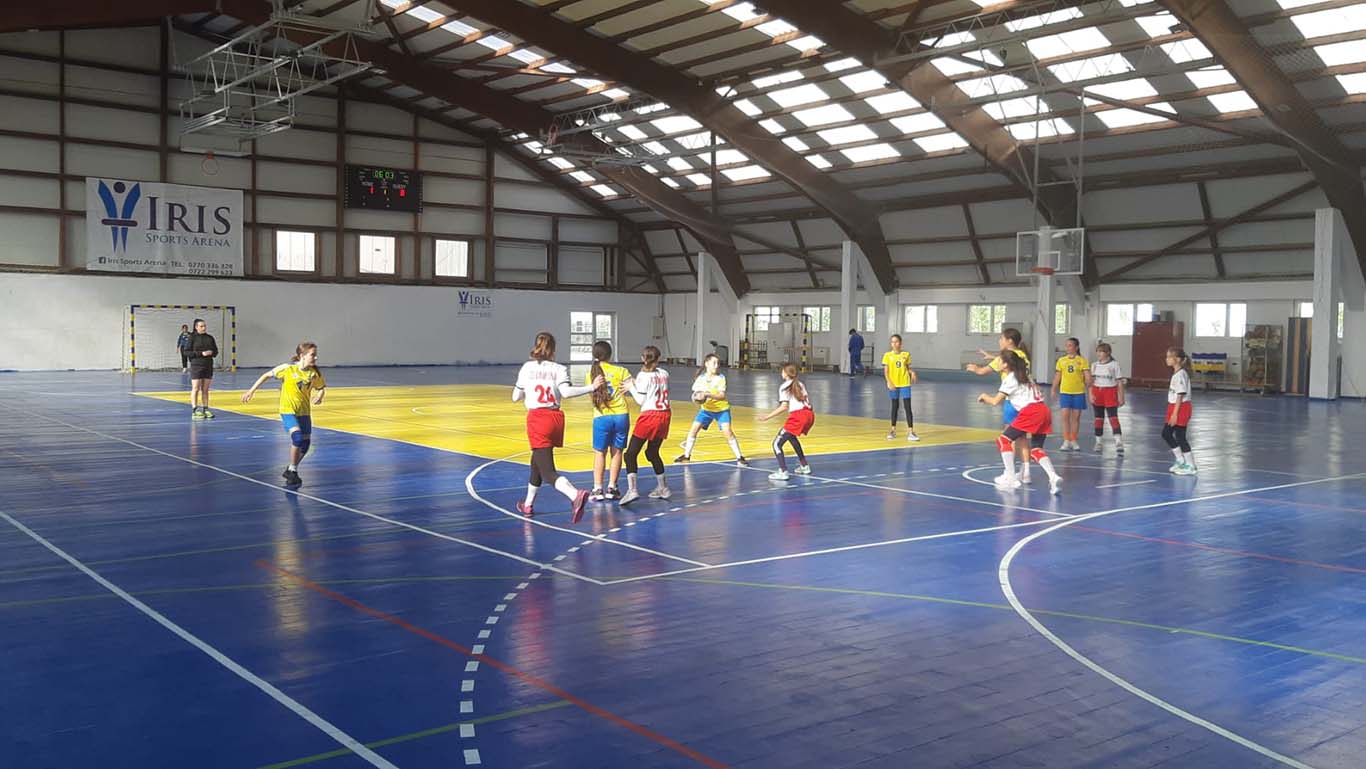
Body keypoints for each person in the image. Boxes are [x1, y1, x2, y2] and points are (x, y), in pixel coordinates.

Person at [511, 332, 600, 521]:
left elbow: (515, 397)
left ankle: (575, 495)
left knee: (547, 471)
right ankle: (528, 504)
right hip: (555, 418)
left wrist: (526, 391)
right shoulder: (559, 368)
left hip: (537, 419)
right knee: (537, 462)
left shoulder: (527, 368)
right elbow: (566, 392)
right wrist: (591, 387)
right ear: (553, 349)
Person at [976, 350, 1063, 495]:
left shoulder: (1010, 379)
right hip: (1044, 410)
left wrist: (984, 397)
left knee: (1003, 440)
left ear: (1006, 364)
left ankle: (1010, 477)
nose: (997, 363)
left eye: (999, 361)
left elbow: (995, 401)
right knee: (1036, 449)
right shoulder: (1025, 376)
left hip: (1031, 411)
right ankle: (1053, 477)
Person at [241, 342, 326, 487]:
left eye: (316, 355)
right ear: (302, 356)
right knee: (297, 437)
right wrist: (251, 391)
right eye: (312, 355)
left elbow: (321, 387)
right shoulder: (287, 369)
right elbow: (266, 375)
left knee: (305, 445)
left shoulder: (313, 373)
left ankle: (291, 469)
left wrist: (320, 395)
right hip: (288, 410)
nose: (316, 358)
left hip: (304, 412)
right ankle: (293, 470)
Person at [966, 328, 1031, 481]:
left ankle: (1009, 472)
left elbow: (983, 371)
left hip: (1011, 400)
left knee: (1008, 437)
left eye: (1002, 338)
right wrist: (992, 357)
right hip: (1025, 400)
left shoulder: (1003, 358)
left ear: (1009, 341)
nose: (999, 341)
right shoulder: (1022, 355)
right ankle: (1026, 472)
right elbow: (1010, 360)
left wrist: (975, 368)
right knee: (1022, 438)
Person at [675, 353, 749, 466]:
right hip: (706, 410)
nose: (716, 365)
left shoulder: (721, 378)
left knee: (728, 432)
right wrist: (698, 398)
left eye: (718, 363)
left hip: (721, 410)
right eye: (714, 363)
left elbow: (722, 396)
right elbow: (696, 394)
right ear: (706, 364)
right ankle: (686, 456)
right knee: (693, 430)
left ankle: (739, 457)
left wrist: (707, 394)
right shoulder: (701, 379)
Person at [621, 346, 671, 506]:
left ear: (643, 358)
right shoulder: (664, 373)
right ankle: (663, 487)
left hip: (650, 416)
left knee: (630, 454)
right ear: (658, 358)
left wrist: (631, 388)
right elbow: (653, 386)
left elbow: (641, 400)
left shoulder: (643, 376)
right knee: (652, 452)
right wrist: (636, 383)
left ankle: (632, 490)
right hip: (665, 415)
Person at [588, 341, 632, 502]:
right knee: (617, 452)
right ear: (610, 354)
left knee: (600, 452)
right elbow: (634, 385)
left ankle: (597, 488)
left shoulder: (592, 374)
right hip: (621, 415)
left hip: (601, 416)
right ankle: (612, 487)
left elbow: (591, 395)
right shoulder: (621, 371)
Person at [758, 363, 814, 481]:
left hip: (798, 416)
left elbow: (784, 407)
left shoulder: (784, 387)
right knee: (792, 437)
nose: (781, 373)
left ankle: (783, 471)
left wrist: (767, 417)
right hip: (809, 414)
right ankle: (804, 466)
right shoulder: (800, 384)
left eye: (782, 371)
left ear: (786, 373)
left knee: (776, 444)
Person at [1051, 337, 1091, 451]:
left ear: (1076, 347)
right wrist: (1054, 388)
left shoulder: (1082, 361)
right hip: (1065, 392)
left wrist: (1089, 381)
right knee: (1065, 416)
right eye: (1066, 345)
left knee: (1076, 417)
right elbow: (1058, 376)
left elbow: (1087, 375)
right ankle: (1066, 440)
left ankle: (1073, 439)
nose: (1067, 348)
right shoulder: (1061, 361)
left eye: (1070, 345)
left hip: (1078, 392)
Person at [1164, 347, 1197, 475]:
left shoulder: (1181, 375)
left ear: (1177, 359)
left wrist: (1175, 414)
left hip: (1181, 407)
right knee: (1166, 433)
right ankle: (1180, 460)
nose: (1166, 359)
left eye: (1169, 357)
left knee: (1180, 436)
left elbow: (1180, 395)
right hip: (1174, 406)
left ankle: (1191, 465)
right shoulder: (1176, 373)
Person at [882, 334, 919, 441]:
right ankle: (893, 430)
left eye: (896, 341)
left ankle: (911, 432)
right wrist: (889, 382)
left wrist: (912, 372)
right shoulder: (887, 355)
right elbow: (886, 371)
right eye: (892, 342)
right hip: (894, 384)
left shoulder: (906, 354)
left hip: (905, 383)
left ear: (900, 343)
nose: (894, 344)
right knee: (895, 406)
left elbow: (906, 368)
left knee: (908, 407)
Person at [1090, 343, 1126, 453]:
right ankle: (1098, 442)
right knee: (1098, 419)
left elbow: (1119, 382)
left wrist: (1121, 396)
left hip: (1110, 392)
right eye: (1097, 351)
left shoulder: (1114, 365)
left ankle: (1118, 442)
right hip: (1097, 392)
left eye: (1101, 351)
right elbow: (1091, 382)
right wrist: (1090, 394)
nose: (1098, 354)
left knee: (1113, 418)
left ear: (1108, 353)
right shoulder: (1094, 365)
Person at [185, 318, 218, 419]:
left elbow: (216, 351)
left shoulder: (210, 338)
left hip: (208, 365)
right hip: (196, 365)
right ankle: (195, 410)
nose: (204, 328)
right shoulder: (192, 338)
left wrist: (212, 352)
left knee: (205, 389)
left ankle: (206, 409)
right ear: (196, 327)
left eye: (205, 326)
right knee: (196, 388)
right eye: (201, 326)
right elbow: (186, 352)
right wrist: (201, 353)